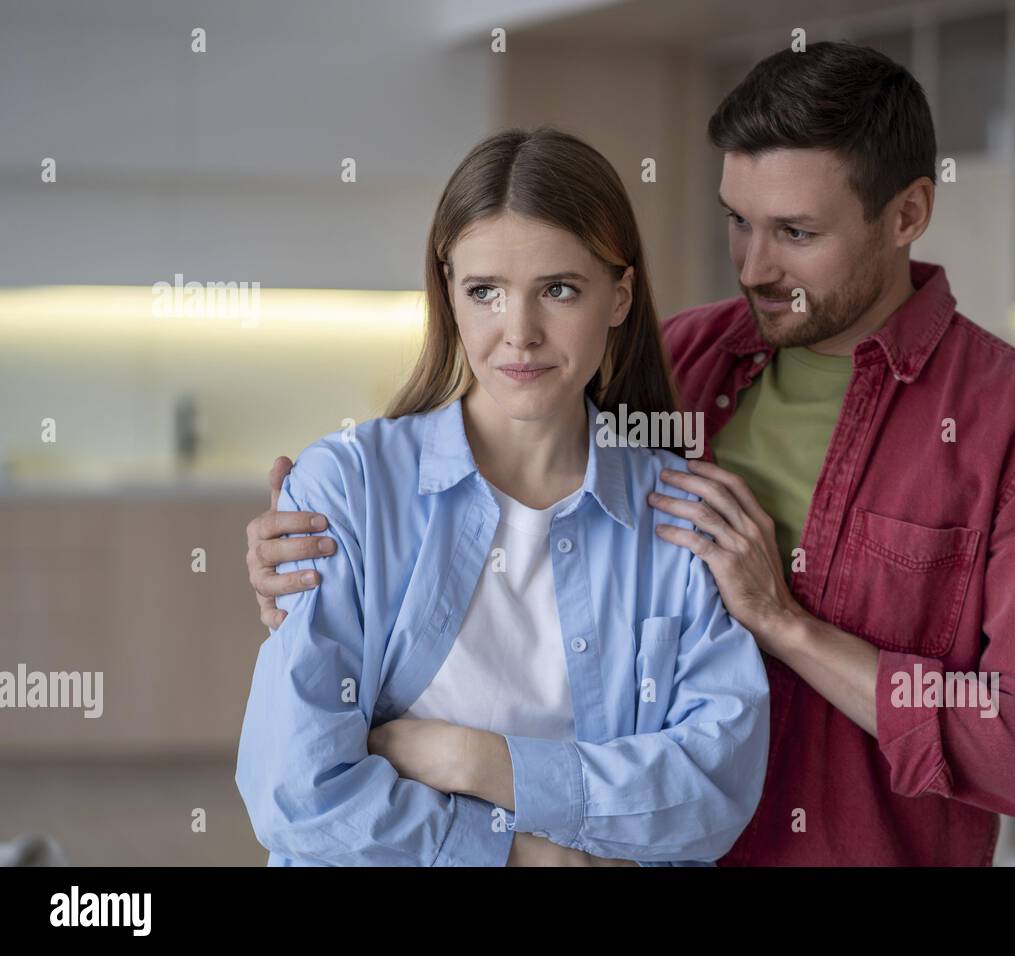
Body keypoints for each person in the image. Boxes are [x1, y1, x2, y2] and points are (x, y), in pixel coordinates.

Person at [247, 42, 1015, 866]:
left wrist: (788, 627)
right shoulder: (682, 365)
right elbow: (510, 470)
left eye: (797, 232)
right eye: (740, 222)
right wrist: (322, 550)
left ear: (908, 215)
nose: (755, 268)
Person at [234, 127, 770, 867]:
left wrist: (476, 761)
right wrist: (532, 857)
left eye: (559, 290)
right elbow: (297, 792)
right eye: (485, 292)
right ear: (449, 294)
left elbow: (710, 791)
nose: (518, 333)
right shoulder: (346, 489)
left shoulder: (679, 512)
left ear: (619, 297)